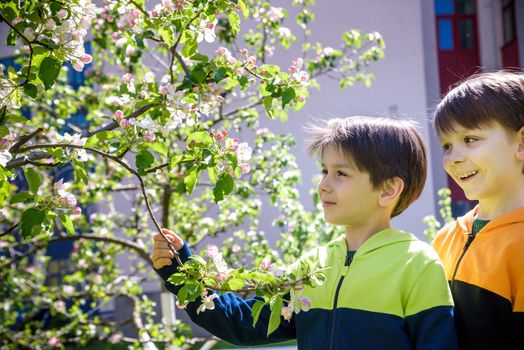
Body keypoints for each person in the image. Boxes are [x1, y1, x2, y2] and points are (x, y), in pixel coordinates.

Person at [153, 116, 457, 349]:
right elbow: (247, 323)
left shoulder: (416, 264)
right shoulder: (314, 265)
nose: (324, 184)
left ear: (388, 189)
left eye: (341, 173)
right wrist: (182, 272)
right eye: (324, 171)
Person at [432, 71, 524, 350]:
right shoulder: (445, 237)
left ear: (521, 143)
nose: (454, 158)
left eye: (470, 139)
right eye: (447, 145)